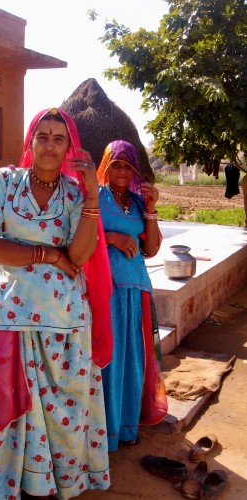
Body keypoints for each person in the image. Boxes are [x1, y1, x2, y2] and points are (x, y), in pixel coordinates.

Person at [0, 107, 113, 499]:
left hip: (64, 320)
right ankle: (7, 489)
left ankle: (57, 486)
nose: (49, 145)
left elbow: (81, 254)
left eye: (58, 138)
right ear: (30, 142)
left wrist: (89, 194)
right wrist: (48, 254)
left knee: (64, 413)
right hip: (8, 317)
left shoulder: (74, 193)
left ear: (69, 147)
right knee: (7, 409)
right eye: (42, 136)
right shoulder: (3, 181)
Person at [97, 140, 168, 452]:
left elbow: (151, 250)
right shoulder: (95, 197)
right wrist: (110, 237)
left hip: (136, 289)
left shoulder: (139, 203)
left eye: (127, 165)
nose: (122, 171)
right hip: (106, 290)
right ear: (106, 167)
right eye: (116, 164)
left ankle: (127, 427)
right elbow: (78, 237)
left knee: (135, 360)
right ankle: (108, 432)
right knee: (110, 360)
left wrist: (151, 211)